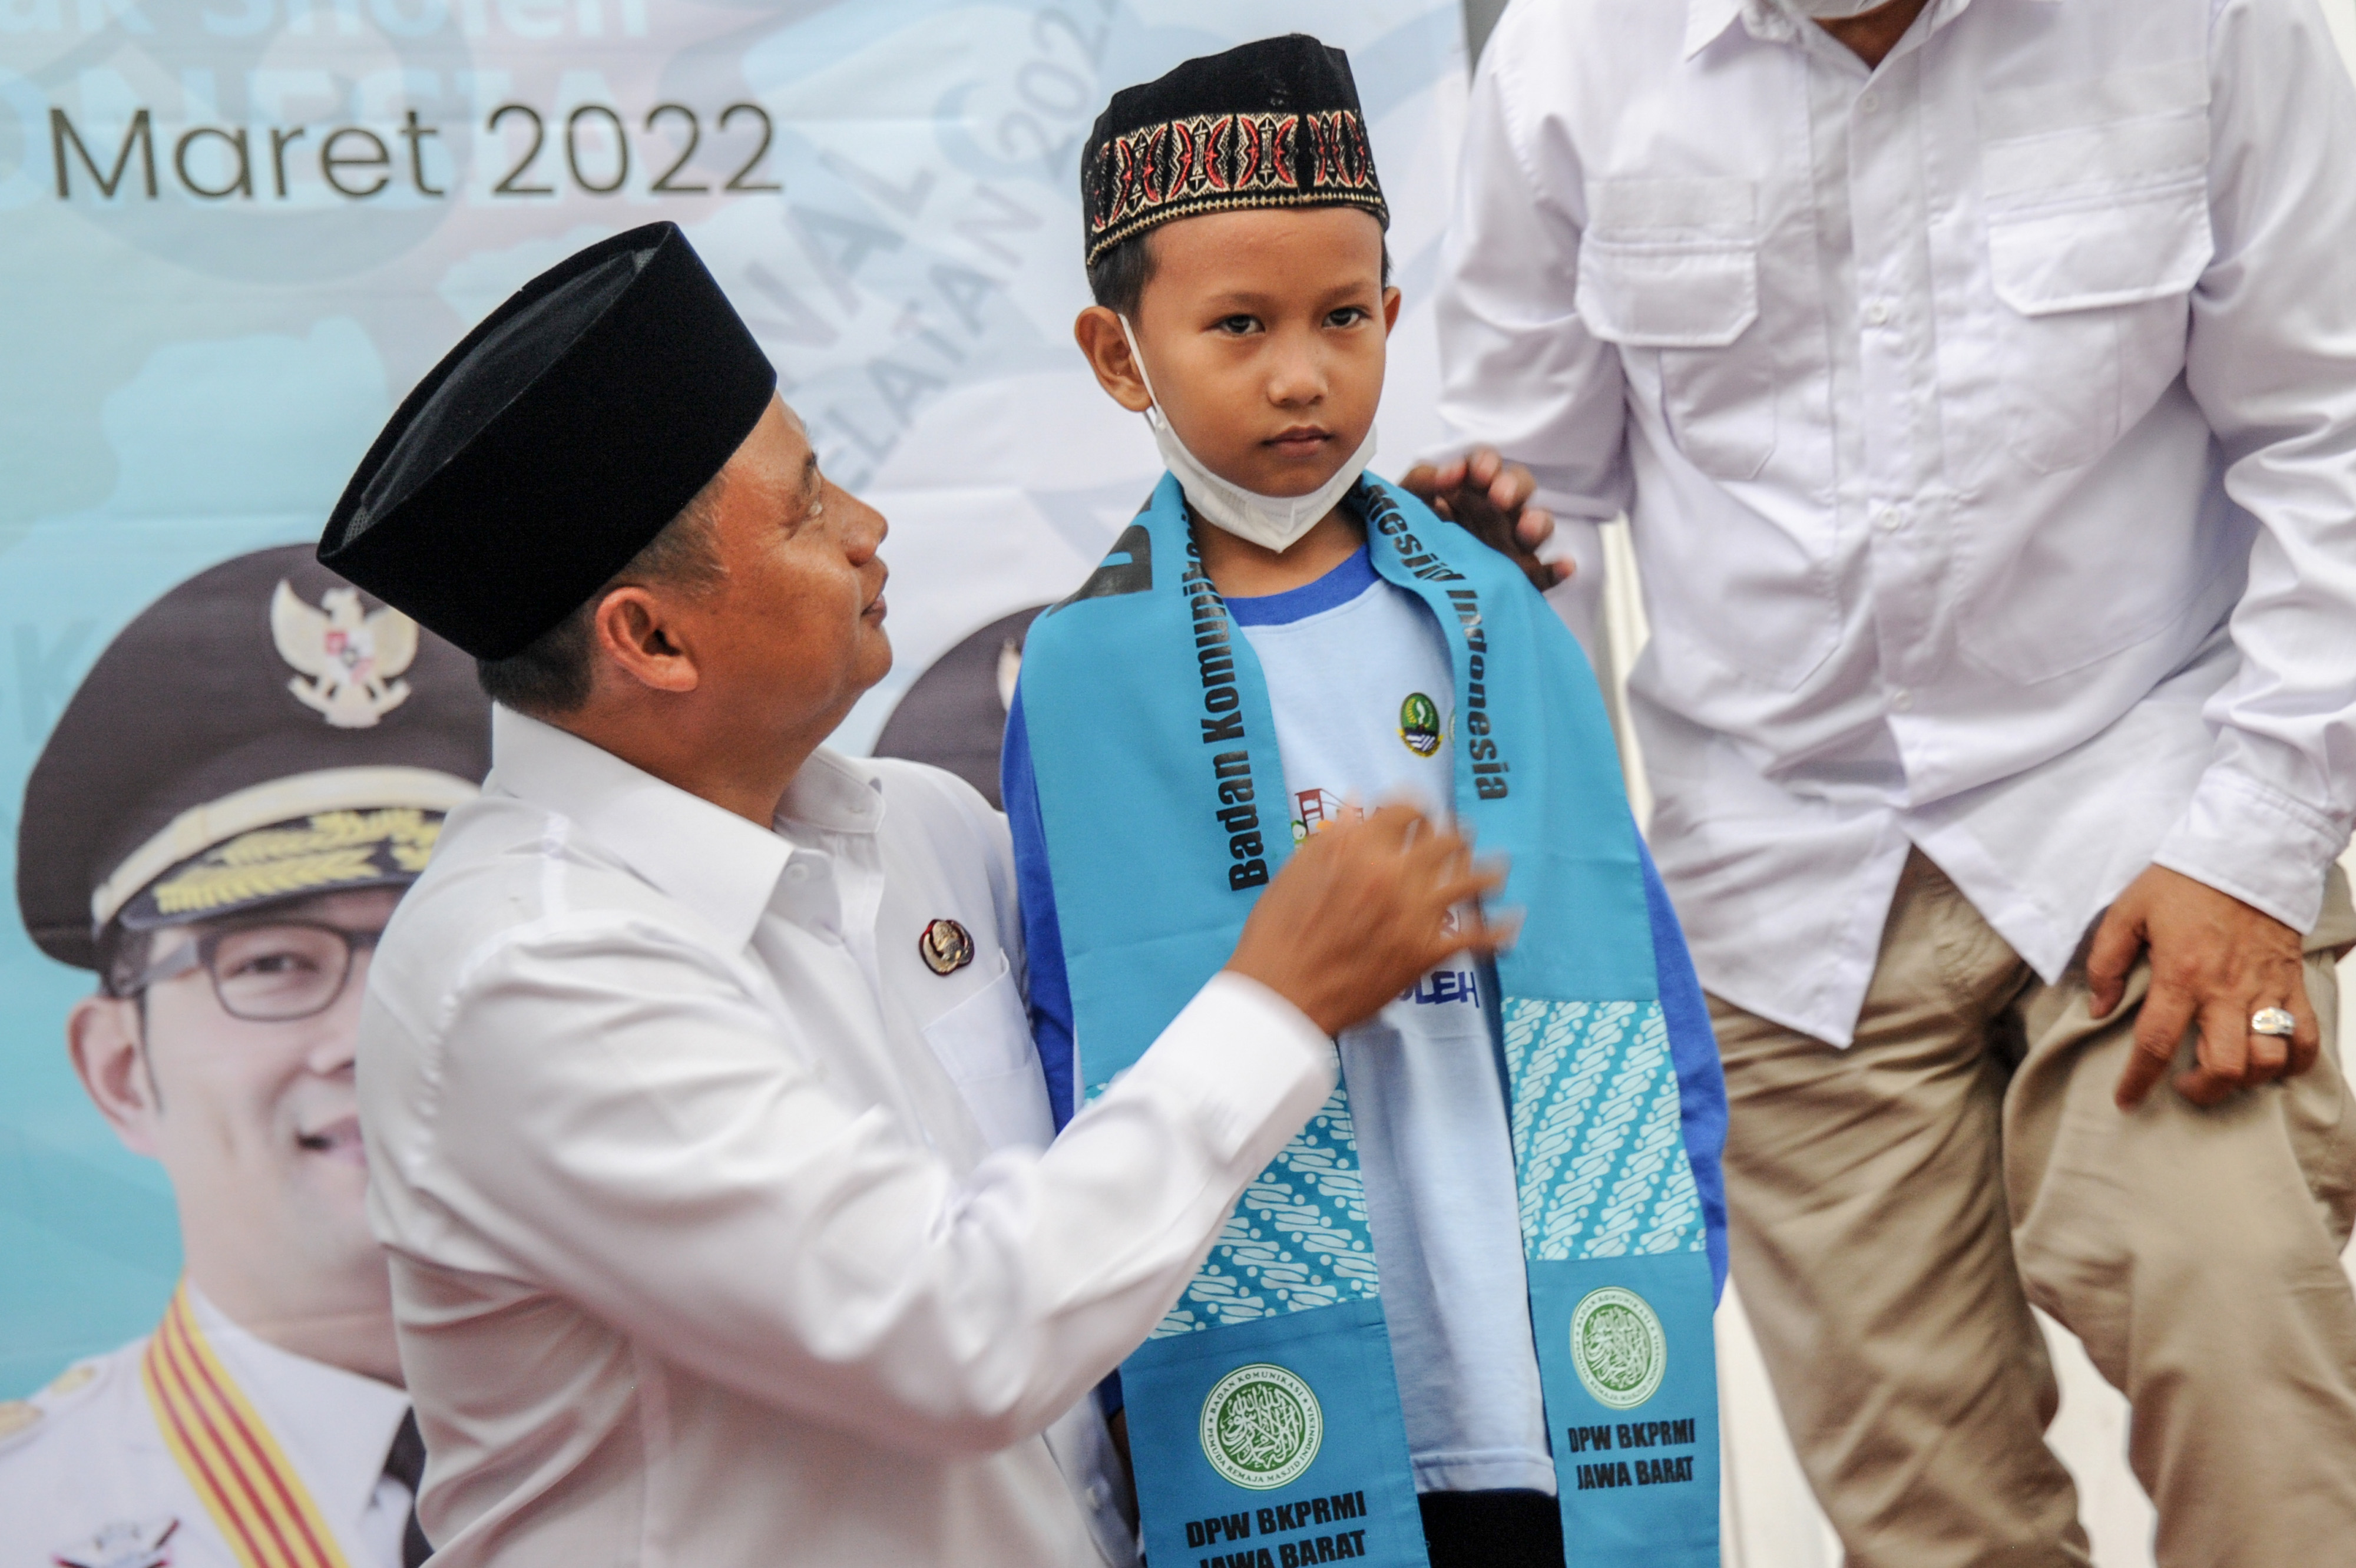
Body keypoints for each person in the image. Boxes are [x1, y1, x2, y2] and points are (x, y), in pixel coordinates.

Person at [315, 219, 1504, 1568]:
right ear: (648, 637)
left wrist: (1404, 602)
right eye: (811, 507)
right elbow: (957, 1331)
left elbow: (1187, 943)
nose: (870, 532)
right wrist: (1276, 1009)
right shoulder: (530, 965)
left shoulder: (923, 828)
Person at [1421, 0, 2356, 1563]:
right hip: (1776, 894)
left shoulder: (2204, 20)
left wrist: (2257, 847)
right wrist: (1564, 940)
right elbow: (1537, 517)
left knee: (2254, 1374)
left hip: (2154, 838)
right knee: (1927, 1522)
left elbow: (2333, 430)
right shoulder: (1567, 59)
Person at [1002, 37, 1729, 1568]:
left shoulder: (1494, 607)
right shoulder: (1078, 677)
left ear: (1394, 315)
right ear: (1118, 354)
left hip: (1542, 1378)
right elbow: (1076, 1045)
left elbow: (1635, 958)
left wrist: (1686, 1247)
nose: (1299, 371)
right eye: (1238, 324)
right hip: (1280, 1398)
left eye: (1343, 316)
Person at [1, 546, 490, 1568]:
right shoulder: (26, 1521)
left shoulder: (786, 1455)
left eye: (439, 941)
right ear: (121, 1072)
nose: (373, 1031)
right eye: (270, 962)